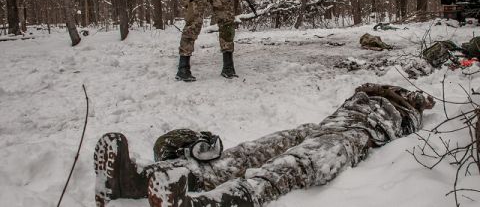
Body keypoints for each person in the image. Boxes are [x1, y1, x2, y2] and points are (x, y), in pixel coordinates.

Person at [93, 83, 435, 207]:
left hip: (356, 134)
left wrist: (411, 99)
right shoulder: (378, 90)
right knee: (249, 152)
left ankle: (217, 203)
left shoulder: (409, 107)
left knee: (297, 164)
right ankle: (139, 179)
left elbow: (426, 101)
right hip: (327, 125)